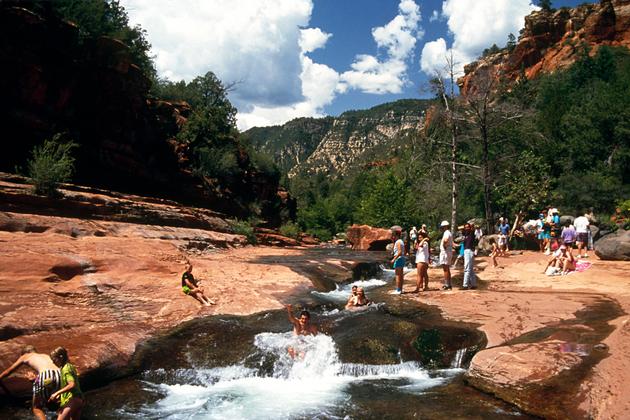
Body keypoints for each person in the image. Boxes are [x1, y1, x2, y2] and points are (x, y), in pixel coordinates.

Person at [0, 346, 61, 420]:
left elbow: (8, 371)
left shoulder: (25, 356)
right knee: (58, 401)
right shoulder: (45, 355)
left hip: (46, 375)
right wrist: (36, 379)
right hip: (59, 374)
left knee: (36, 408)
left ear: (25, 353)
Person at [48, 347, 83, 420]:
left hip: (72, 400)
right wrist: (61, 395)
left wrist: (56, 393)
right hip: (78, 399)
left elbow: (71, 385)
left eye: (54, 360)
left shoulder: (66, 369)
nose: (53, 362)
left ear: (61, 357)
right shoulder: (68, 366)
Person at [461, 223, 477, 290]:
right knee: (470, 269)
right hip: (466, 251)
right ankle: (473, 284)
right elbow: (460, 228)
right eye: (465, 227)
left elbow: (473, 228)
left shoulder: (471, 234)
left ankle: (465, 285)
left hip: (469, 251)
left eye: (468, 227)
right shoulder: (465, 235)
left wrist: (471, 226)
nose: (467, 228)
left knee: (467, 268)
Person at [390, 227, 406, 294]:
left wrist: (394, 259)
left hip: (398, 259)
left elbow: (399, 252)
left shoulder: (398, 242)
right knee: (401, 275)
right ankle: (400, 289)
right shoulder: (400, 241)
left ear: (396, 235)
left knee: (397, 275)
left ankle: (398, 290)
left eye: (393, 235)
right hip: (402, 258)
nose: (392, 237)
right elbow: (403, 251)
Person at [439, 221, 453, 290]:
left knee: (445, 269)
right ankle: (449, 284)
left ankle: (447, 284)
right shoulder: (448, 232)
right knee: (447, 268)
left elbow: (446, 240)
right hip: (448, 251)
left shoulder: (446, 233)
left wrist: (444, 246)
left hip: (445, 252)